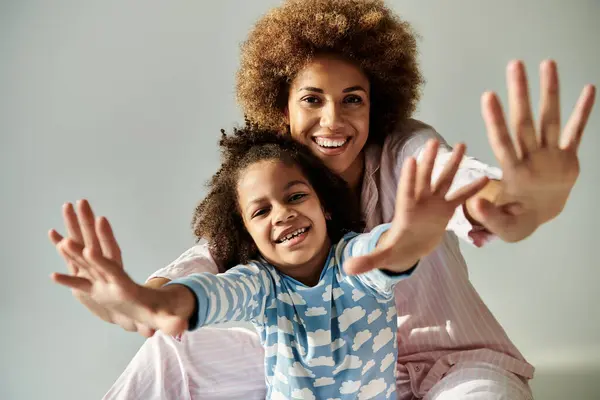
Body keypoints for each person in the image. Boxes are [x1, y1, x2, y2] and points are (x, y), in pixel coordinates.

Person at [49, 0, 596, 398]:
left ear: (374, 106)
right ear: (282, 109)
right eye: (312, 100)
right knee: (171, 347)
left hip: (445, 362)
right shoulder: (273, 180)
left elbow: (478, 196)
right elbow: (203, 267)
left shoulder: (406, 149)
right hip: (328, 370)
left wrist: (527, 199)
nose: (333, 120)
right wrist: (135, 300)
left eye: (351, 100)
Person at [51, 128, 488, 400]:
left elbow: (387, 252)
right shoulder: (259, 285)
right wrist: (146, 301)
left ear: (326, 206)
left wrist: (412, 234)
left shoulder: (355, 258)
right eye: (261, 212)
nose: (282, 213)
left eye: (296, 196)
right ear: (247, 233)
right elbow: (207, 296)